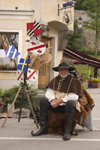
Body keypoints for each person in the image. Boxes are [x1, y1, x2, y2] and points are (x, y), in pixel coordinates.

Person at [31, 61, 82, 140]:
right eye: (61, 69)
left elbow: (74, 96)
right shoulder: (55, 80)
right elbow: (48, 93)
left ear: (68, 71)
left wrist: (60, 101)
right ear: (58, 71)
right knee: (43, 102)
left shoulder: (74, 81)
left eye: (65, 69)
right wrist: (53, 100)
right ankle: (44, 128)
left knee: (71, 103)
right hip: (55, 104)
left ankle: (67, 131)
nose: (63, 71)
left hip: (67, 106)